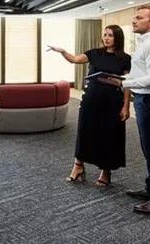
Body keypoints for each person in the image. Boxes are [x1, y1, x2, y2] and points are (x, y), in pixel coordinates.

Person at [101, 5, 150, 216]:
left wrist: (123, 83)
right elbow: (142, 72)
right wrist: (122, 79)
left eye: (139, 18)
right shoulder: (145, 42)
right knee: (148, 148)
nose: (134, 21)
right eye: (135, 17)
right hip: (144, 98)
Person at [47, 25, 131, 188]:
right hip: (91, 99)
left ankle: (106, 171)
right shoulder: (94, 53)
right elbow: (75, 59)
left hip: (112, 101)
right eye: (105, 35)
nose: (106, 38)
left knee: (109, 135)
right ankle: (78, 166)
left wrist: (126, 106)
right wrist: (63, 51)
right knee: (85, 131)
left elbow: (128, 84)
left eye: (110, 35)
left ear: (118, 38)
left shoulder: (125, 58)